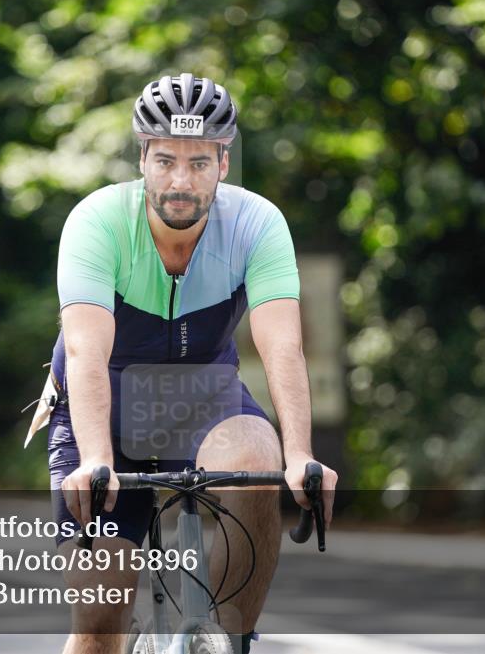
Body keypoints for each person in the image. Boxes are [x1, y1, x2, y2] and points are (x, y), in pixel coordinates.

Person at [45, 73, 339, 654]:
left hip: (204, 395)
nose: (181, 181)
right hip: (103, 403)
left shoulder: (257, 224)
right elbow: (84, 349)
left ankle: (233, 641)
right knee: (98, 628)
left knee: (260, 457)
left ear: (223, 164)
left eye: (199, 163)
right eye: (166, 161)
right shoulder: (97, 221)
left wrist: (301, 452)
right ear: (143, 159)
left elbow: (282, 344)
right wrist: (97, 459)